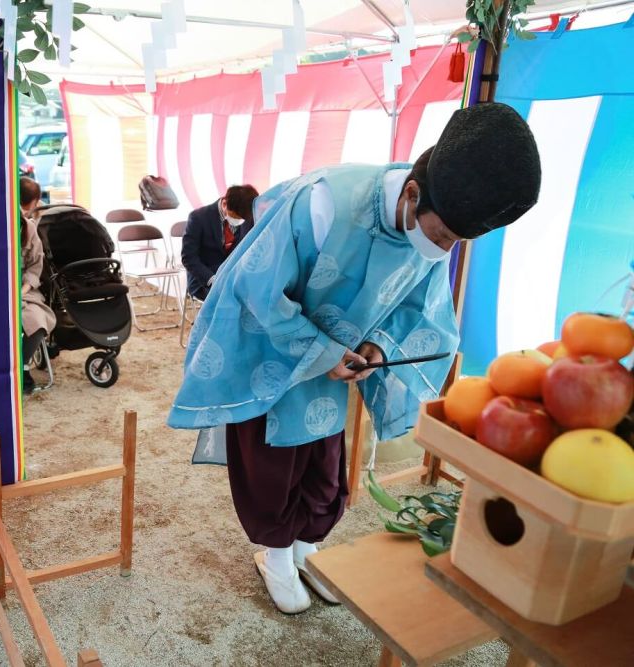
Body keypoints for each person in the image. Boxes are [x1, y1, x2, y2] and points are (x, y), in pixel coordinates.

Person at [168, 103, 541, 614]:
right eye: (442, 237)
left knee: (322, 464)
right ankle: (276, 557)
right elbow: (257, 291)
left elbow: (417, 305)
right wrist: (321, 351)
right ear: (412, 193)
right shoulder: (324, 203)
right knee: (274, 462)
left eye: (456, 241)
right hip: (274, 350)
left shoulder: (434, 223)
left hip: (338, 361)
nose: (442, 249)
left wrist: (378, 345)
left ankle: (307, 551)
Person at [182, 185, 260, 300]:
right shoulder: (198, 218)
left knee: (260, 294)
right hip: (205, 279)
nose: (239, 221)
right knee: (231, 298)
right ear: (225, 204)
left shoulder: (247, 214)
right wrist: (212, 279)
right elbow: (188, 258)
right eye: (235, 217)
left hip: (235, 277)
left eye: (242, 219)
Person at [18, 177, 56, 393]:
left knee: (38, 321)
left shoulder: (29, 228)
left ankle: (22, 368)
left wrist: (23, 289)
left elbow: (35, 265)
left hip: (25, 291)